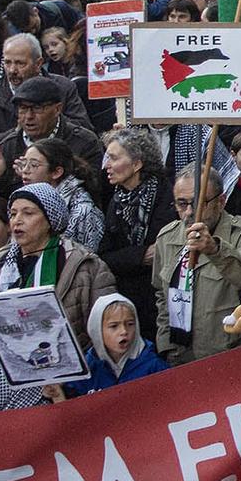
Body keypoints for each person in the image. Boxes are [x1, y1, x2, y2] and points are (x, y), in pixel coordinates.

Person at [0, 183, 117, 344]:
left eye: (28, 213)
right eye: (13, 214)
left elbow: (106, 327)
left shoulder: (85, 265)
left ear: (50, 219)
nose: (17, 220)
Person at [153, 162, 241, 366]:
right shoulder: (167, 237)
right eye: (181, 204)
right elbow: (161, 296)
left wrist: (214, 249)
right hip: (181, 358)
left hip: (228, 356)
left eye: (198, 203)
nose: (189, 212)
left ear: (221, 201)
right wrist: (165, 345)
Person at [100, 129, 176, 336]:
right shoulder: (116, 200)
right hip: (127, 299)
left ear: (137, 164)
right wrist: (140, 255)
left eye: (114, 158)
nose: (106, 165)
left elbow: (165, 252)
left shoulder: (166, 197)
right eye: (107, 158)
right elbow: (105, 257)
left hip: (159, 302)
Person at [67, 293, 168, 395]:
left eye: (130, 324)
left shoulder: (154, 366)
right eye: (114, 326)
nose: (124, 331)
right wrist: (57, 394)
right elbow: (70, 407)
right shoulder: (86, 369)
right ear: (97, 331)